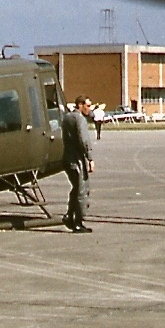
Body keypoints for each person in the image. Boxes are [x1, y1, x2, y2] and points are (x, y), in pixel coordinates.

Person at [61, 95, 95, 233]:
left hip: (67, 158)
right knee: (82, 189)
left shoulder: (67, 117)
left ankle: (69, 216)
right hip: (76, 160)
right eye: (87, 105)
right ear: (80, 105)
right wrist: (90, 158)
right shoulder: (79, 119)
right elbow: (83, 140)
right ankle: (78, 221)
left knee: (76, 189)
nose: (89, 109)